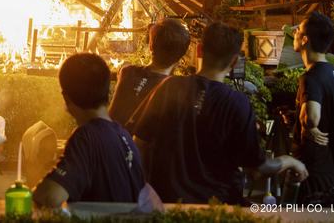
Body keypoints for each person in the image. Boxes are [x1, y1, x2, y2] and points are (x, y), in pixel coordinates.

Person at [132, 22, 308, 204]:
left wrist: (143, 189)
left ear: (199, 50)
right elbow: (258, 167)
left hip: (167, 203)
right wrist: (289, 161)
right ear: (233, 62)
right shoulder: (237, 103)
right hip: (219, 208)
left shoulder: (168, 87)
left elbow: (139, 143)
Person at [33, 53, 147, 208]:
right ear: (107, 92)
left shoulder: (86, 137)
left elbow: (49, 196)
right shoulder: (124, 135)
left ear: (66, 98)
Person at [291, 12, 334, 199]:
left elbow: (313, 117)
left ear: (305, 39)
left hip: (313, 166)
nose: (294, 33)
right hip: (333, 165)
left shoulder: (310, 77)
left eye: (297, 30)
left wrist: (308, 125)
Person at [109, 18, 191, 129]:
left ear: (151, 46)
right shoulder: (174, 90)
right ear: (181, 56)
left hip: (112, 140)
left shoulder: (127, 71)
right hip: (136, 145)